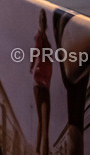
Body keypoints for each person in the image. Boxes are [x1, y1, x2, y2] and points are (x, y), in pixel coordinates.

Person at [31, 9, 52, 155]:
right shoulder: (40, 37)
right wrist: (32, 64)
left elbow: (36, 53)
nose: (43, 23)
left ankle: (37, 151)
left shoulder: (42, 37)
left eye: (43, 20)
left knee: (40, 122)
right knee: (45, 125)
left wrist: (32, 65)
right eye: (42, 20)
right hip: (42, 84)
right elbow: (37, 51)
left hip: (41, 84)